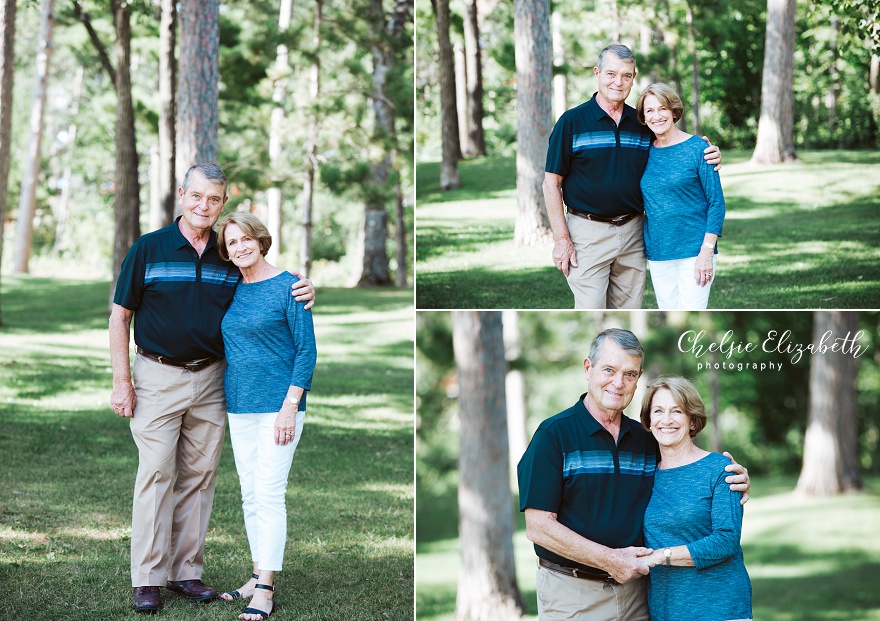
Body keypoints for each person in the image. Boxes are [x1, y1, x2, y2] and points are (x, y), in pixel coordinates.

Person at [109, 163, 315, 614]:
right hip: (157, 376)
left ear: (223, 202)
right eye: (197, 196)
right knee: (157, 473)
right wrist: (121, 380)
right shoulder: (149, 248)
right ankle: (147, 577)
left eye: (214, 199)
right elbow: (120, 316)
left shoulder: (227, 254)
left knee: (200, 478)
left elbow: (264, 283)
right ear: (182, 194)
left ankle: (186, 572)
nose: (205, 206)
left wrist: (303, 288)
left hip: (212, 381)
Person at [517, 328, 749, 621]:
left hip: (641, 594)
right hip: (574, 594)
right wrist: (611, 560)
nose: (618, 382)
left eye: (629, 374)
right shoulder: (553, 436)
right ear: (588, 369)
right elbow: (537, 527)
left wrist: (735, 478)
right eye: (609, 370)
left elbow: (686, 470)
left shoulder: (645, 439)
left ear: (638, 379)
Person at [544, 44, 722, 310]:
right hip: (588, 233)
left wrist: (708, 152)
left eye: (626, 75)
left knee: (628, 310)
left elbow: (672, 146)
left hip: (634, 233)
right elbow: (551, 183)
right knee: (591, 309)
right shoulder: (571, 122)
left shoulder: (641, 123)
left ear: (633, 78)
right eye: (611, 74)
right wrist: (561, 240)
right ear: (597, 73)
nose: (618, 81)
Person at [215, 212, 317, 621]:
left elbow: (306, 352)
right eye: (232, 243)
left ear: (261, 240)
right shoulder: (231, 289)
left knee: (269, 494)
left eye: (245, 240)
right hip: (238, 406)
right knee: (249, 494)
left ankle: (266, 591)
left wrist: (289, 408)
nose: (239, 248)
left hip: (279, 408)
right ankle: (256, 577)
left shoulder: (290, 285)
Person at [639, 376, 752, 621]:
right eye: (658, 410)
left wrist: (660, 556)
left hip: (719, 608)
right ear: (649, 420)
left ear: (692, 420)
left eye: (676, 411)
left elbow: (726, 541)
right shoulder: (644, 474)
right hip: (665, 610)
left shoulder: (720, 470)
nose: (666, 420)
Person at [637, 84, 725, 309]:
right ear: (643, 117)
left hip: (694, 251)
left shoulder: (698, 149)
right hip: (658, 251)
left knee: (692, 314)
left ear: (673, 111)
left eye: (662, 108)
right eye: (650, 111)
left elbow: (716, 203)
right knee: (668, 312)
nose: (657, 116)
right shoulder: (642, 151)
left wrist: (706, 252)